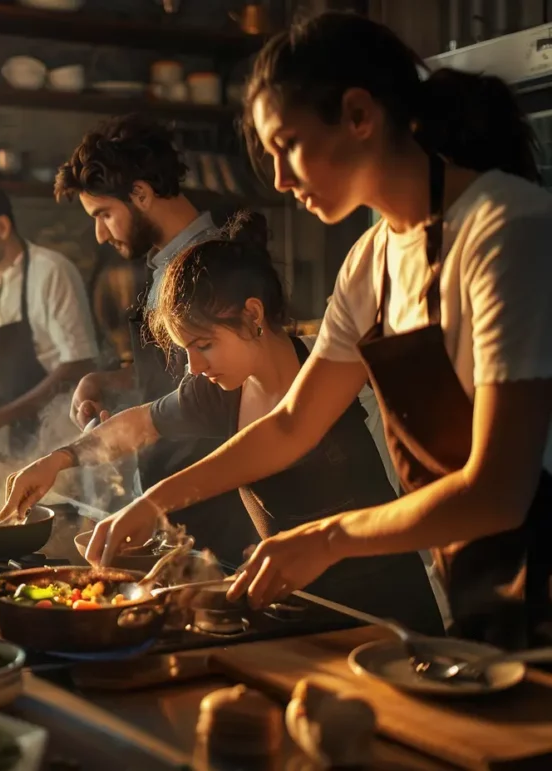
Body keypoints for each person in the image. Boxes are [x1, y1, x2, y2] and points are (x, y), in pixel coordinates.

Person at [86, 12, 552, 649]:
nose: (277, 178)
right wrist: (154, 501)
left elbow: (498, 491)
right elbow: (289, 426)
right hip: (471, 578)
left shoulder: (502, 230)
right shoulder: (372, 259)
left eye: (287, 146)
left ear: (359, 115)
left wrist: (329, 537)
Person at [0, 212, 444, 632]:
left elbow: (284, 437)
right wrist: (58, 460)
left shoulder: (330, 379)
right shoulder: (221, 392)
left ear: (253, 316)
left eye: (204, 344)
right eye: (185, 349)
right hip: (300, 614)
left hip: (384, 613)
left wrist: (152, 504)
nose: (194, 366)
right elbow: (139, 424)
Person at [54, 114, 256, 565]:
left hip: (219, 511)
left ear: (141, 194)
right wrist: (108, 381)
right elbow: (178, 370)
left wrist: (76, 453)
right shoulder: (167, 266)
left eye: (104, 214)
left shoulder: (212, 265)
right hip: (176, 505)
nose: (100, 233)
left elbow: (211, 393)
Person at [0, 183, 98, 454]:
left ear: (2, 227)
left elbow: (78, 363)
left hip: (65, 433)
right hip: (19, 434)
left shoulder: (51, 271)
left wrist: (0, 416)